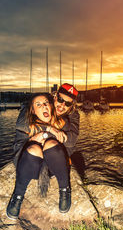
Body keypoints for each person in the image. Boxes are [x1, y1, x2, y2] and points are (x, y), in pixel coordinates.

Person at [7, 84, 79, 220]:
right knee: (34, 148)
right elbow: (21, 125)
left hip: (54, 163)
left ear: (72, 106)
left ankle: (64, 190)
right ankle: (17, 196)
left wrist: (46, 134)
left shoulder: (68, 119)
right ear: (54, 96)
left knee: (51, 144)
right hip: (28, 162)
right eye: (60, 100)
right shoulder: (29, 112)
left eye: (68, 103)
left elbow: (70, 141)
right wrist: (49, 130)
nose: (62, 105)